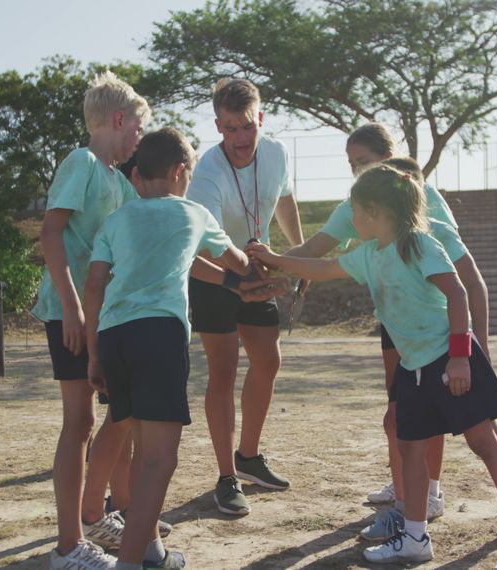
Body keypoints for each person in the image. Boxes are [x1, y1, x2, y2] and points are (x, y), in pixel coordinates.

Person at [249, 164, 497, 568]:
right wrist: (275, 259)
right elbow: (322, 269)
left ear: (376, 212)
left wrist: (461, 357)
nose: (350, 219)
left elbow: (458, 295)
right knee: (411, 450)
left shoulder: (420, 245)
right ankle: (414, 537)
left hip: (450, 358)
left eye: (354, 210)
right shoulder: (370, 256)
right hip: (413, 367)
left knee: (484, 442)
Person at [284, 122, 497, 539]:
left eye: (365, 162)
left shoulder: (424, 221)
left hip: (446, 338)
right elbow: (317, 257)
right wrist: (267, 265)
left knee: (480, 431)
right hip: (403, 331)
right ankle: (409, 506)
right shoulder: (363, 215)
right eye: (352, 164)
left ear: (389, 161)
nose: (357, 172)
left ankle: (490, 510)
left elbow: (467, 283)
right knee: (403, 419)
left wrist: (472, 346)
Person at [84, 127, 254, 569]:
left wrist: (95, 353)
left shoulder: (116, 220)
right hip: (158, 334)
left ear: (139, 175)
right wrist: (257, 266)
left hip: (113, 337)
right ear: (180, 172)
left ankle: (151, 551)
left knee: (143, 452)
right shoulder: (193, 213)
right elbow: (234, 260)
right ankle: (130, 564)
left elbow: (95, 285)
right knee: (161, 459)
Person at [30, 71, 147, 569]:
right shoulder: (81, 162)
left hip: (106, 317)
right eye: (137, 129)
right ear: (118, 120)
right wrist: (74, 306)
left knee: (119, 413)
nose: (138, 139)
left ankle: (106, 515)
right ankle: (67, 546)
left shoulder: (120, 180)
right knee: (79, 423)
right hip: (70, 313)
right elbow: (51, 234)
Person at [186, 77, 305, 516]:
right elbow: (207, 244)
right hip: (216, 273)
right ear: (218, 126)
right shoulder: (207, 172)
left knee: (268, 362)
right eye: (230, 129)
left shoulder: (277, 153)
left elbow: (286, 201)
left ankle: (249, 457)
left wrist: (297, 256)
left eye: (247, 127)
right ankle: (226, 477)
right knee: (223, 371)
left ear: (261, 118)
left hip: (258, 265)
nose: (240, 138)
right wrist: (243, 282)